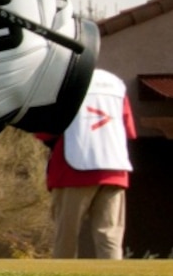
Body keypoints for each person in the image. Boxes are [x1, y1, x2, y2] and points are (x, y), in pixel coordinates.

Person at [40, 70, 132, 260]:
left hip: (73, 169)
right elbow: (129, 131)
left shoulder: (61, 82)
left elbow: (45, 131)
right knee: (109, 236)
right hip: (114, 167)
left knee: (66, 235)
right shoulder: (116, 83)